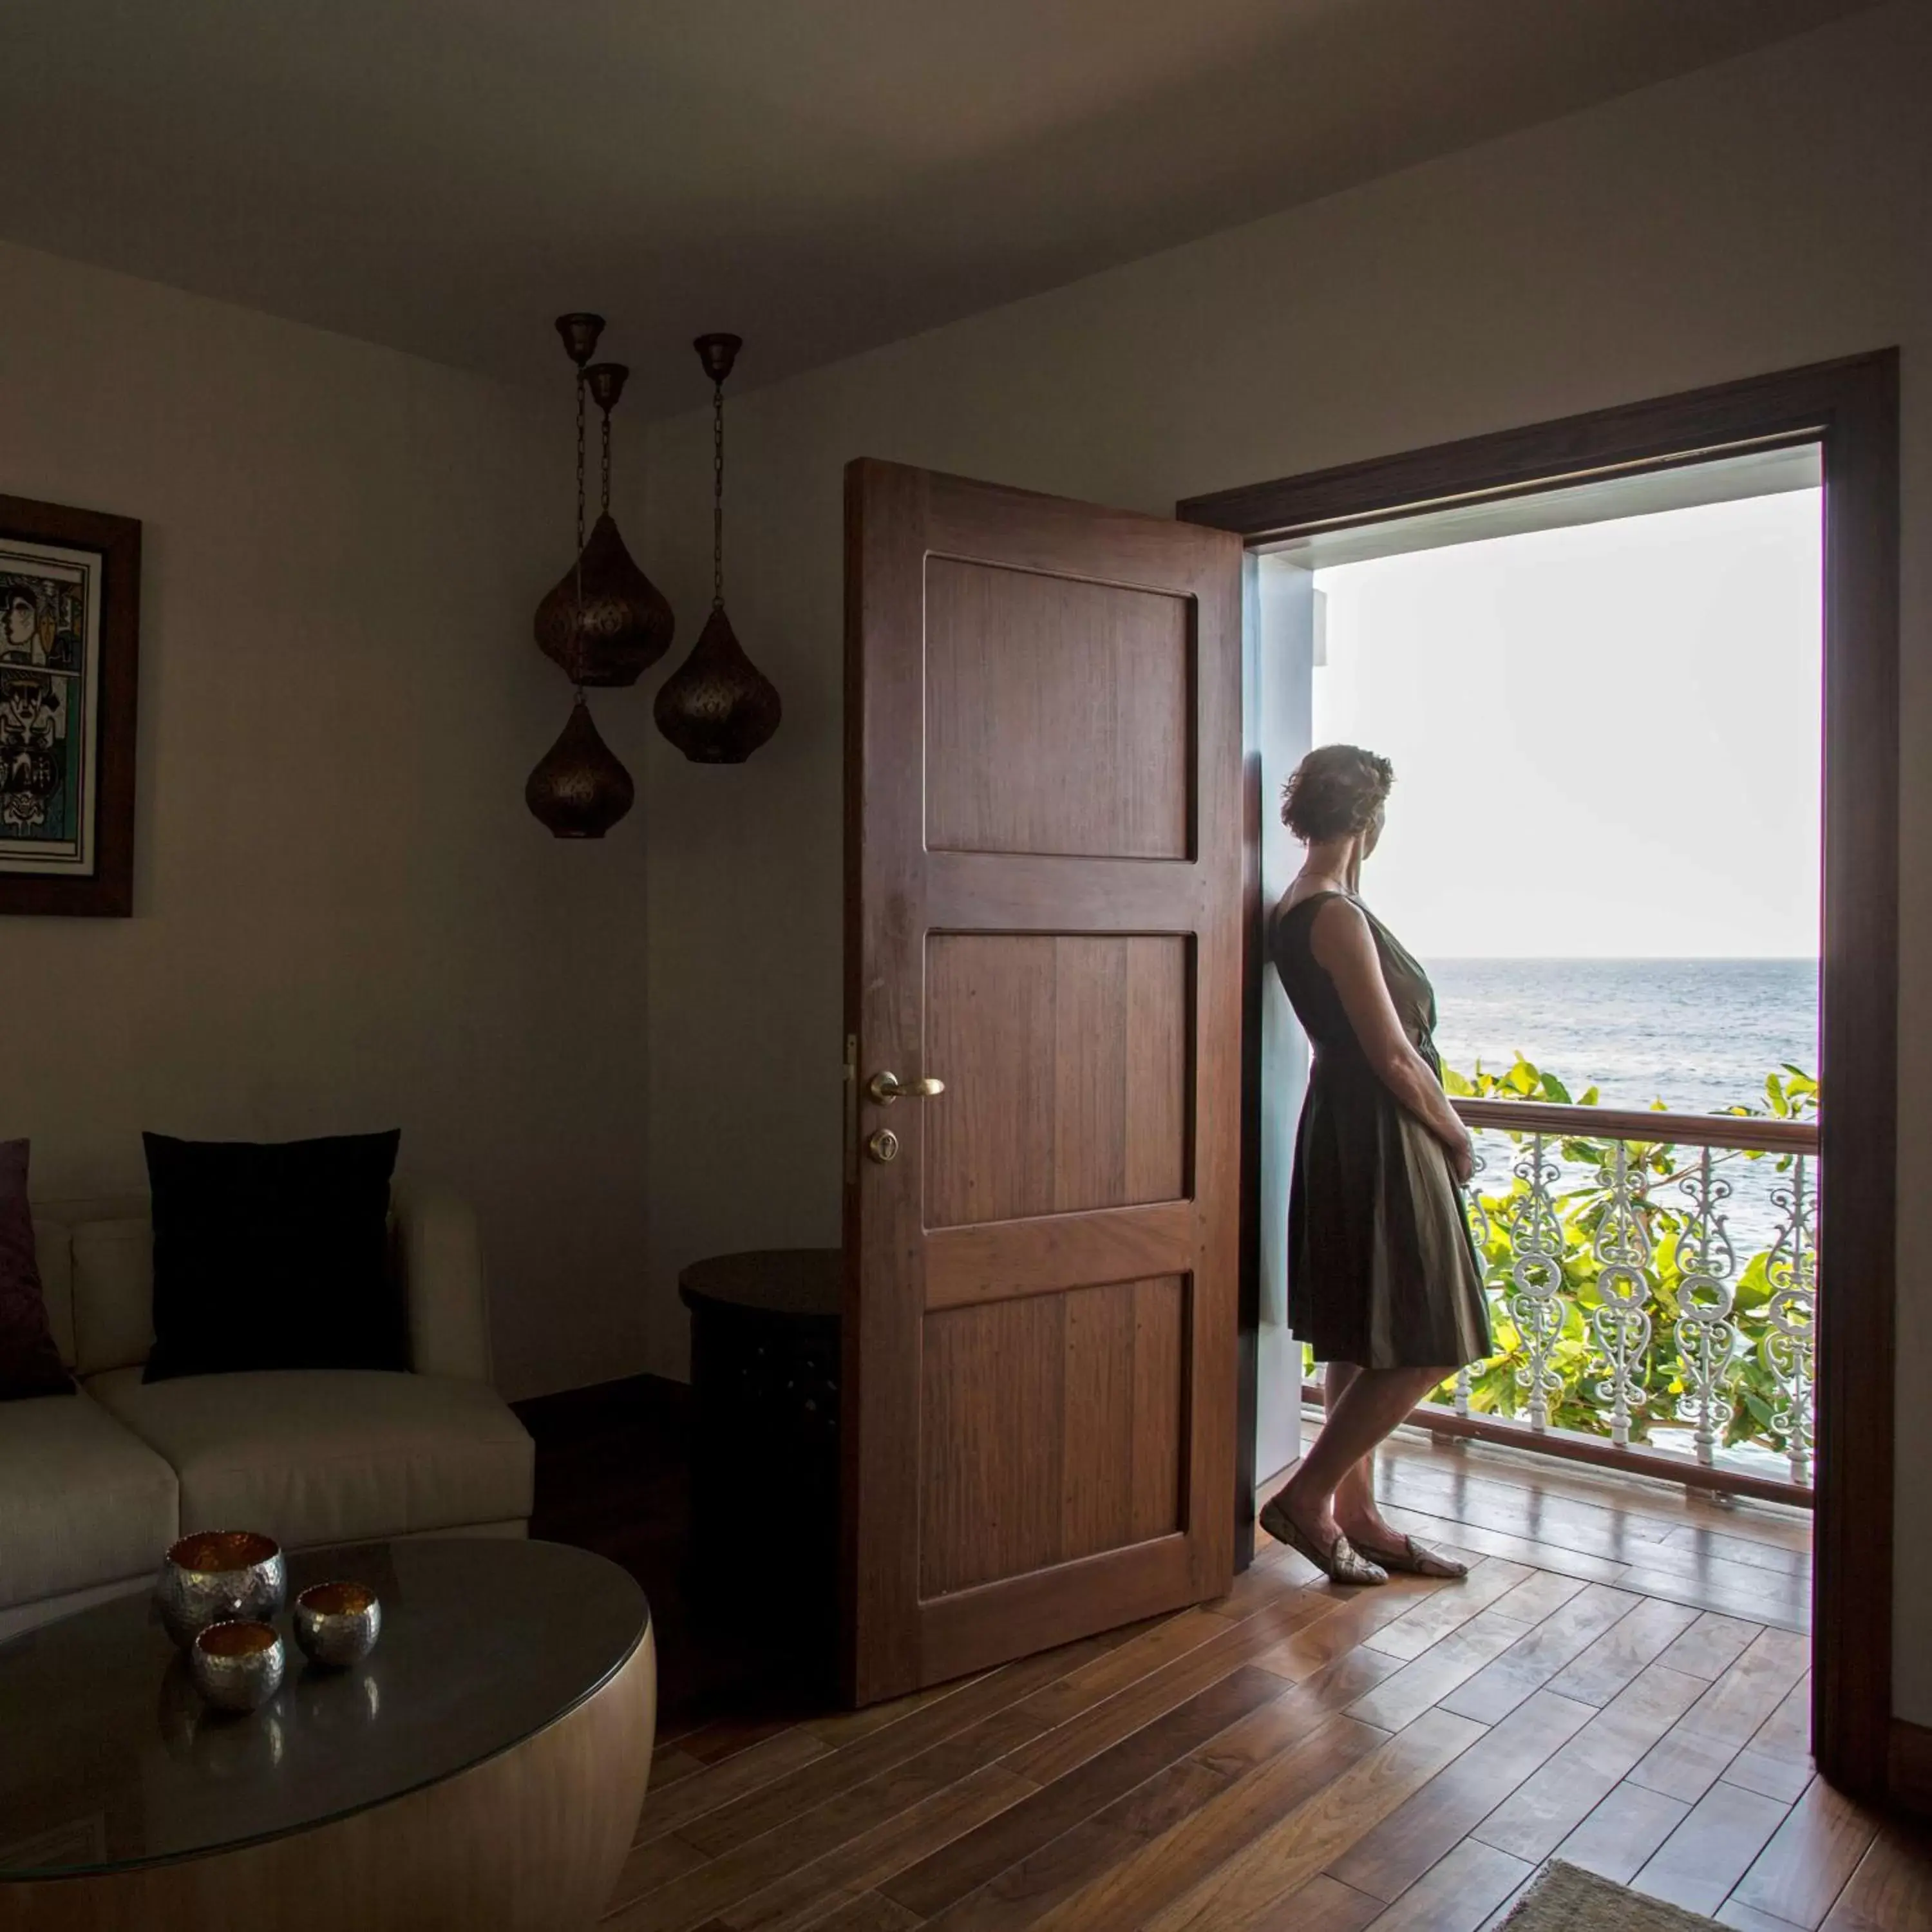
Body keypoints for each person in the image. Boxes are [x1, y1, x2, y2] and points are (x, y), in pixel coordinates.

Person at [1258, 744, 1491, 1585]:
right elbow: (1393, 1055)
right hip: (1380, 1131)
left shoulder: (1306, 905)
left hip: (1343, 1127)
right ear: (1368, 819)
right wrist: (1457, 1133)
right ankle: (1308, 1498)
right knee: (1431, 1336)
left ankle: (1357, 1515)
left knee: (1365, 1329)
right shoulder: (1333, 915)